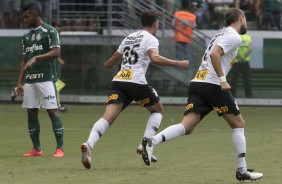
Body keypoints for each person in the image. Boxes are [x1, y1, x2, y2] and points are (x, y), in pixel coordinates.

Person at [141, 8, 263, 181]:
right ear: (241, 18)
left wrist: (226, 66)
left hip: (198, 82)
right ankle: (241, 171)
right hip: (213, 85)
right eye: (245, 18)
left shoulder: (220, 33)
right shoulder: (234, 36)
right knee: (238, 123)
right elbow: (214, 54)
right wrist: (222, 79)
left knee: (187, 127)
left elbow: (215, 55)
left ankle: (152, 141)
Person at [80, 10, 189, 169]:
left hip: (119, 81)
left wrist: (108, 65)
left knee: (107, 117)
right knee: (158, 111)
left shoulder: (129, 37)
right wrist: (178, 63)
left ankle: (89, 144)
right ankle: (144, 143)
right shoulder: (151, 38)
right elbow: (155, 58)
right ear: (155, 23)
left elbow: (112, 61)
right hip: (135, 81)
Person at [16, 3, 64, 157]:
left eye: (27, 16)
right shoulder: (26, 36)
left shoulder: (49, 31)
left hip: (46, 78)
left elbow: (56, 52)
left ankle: (59, 148)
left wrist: (37, 57)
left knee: (52, 111)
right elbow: (24, 60)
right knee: (31, 112)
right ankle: (37, 148)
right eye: (24, 16)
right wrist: (19, 82)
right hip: (30, 80)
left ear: (36, 14)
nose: (25, 19)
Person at [52, 22, 68, 112]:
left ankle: (16, 90)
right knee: (57, 85)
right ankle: (57, 106)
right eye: (56, 30)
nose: (58, 32)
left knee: (57, 85)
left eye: (60, 30)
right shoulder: (50, 38)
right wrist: (58, 59)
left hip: (49, 68)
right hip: (45, 67)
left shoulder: (55, 38)